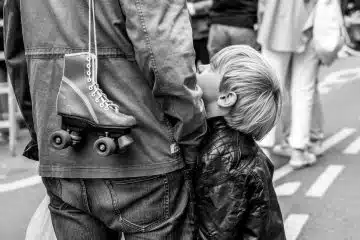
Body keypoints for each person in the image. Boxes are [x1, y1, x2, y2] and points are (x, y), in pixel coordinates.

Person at [4, 0, 207, 239]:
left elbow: (16, 54)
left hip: (62, 156)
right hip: (148, 151)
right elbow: (167, 56)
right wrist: (192, 136)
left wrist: (41, 129)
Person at [194, 45, 286, 239]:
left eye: (212, 67)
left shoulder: (225, 158)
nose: (202, 67)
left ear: (226, 98)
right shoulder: (234, 147)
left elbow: (215, 234)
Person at [257, 0, 323, 169]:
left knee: (269, 87)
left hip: (276, 23)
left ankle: (265, 148)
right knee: (303, 89)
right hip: (310, 23)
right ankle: (298, 151)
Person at [187, 0, 213, 67]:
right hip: (187, 37)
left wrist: (192, 7)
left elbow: (211, 3)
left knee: (208, 65)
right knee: (189, 66)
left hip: (204, 35)